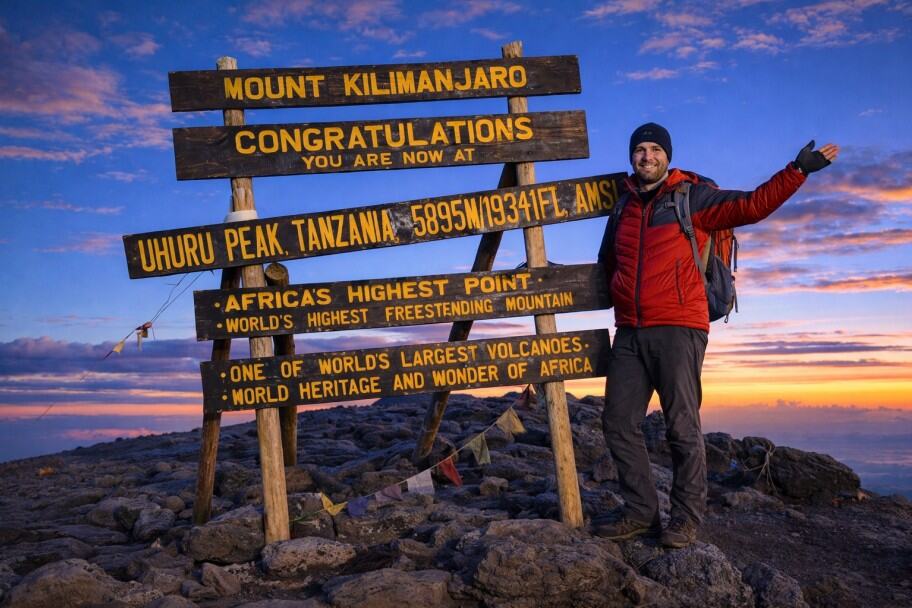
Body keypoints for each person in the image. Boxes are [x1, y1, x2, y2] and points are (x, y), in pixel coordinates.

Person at [595, 123, 839, 548]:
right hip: (630, 331)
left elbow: (751, 206)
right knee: (617, 421)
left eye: (655, 149)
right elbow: (608, 262)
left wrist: (796, 171)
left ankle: (686, 519)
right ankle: (640, 512)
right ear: (631, 157)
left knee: (681, 428)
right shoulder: (625, 207)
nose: (647, 156)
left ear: (667, 156)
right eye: (640, 150)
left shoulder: (693, 197)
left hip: (679, 327)